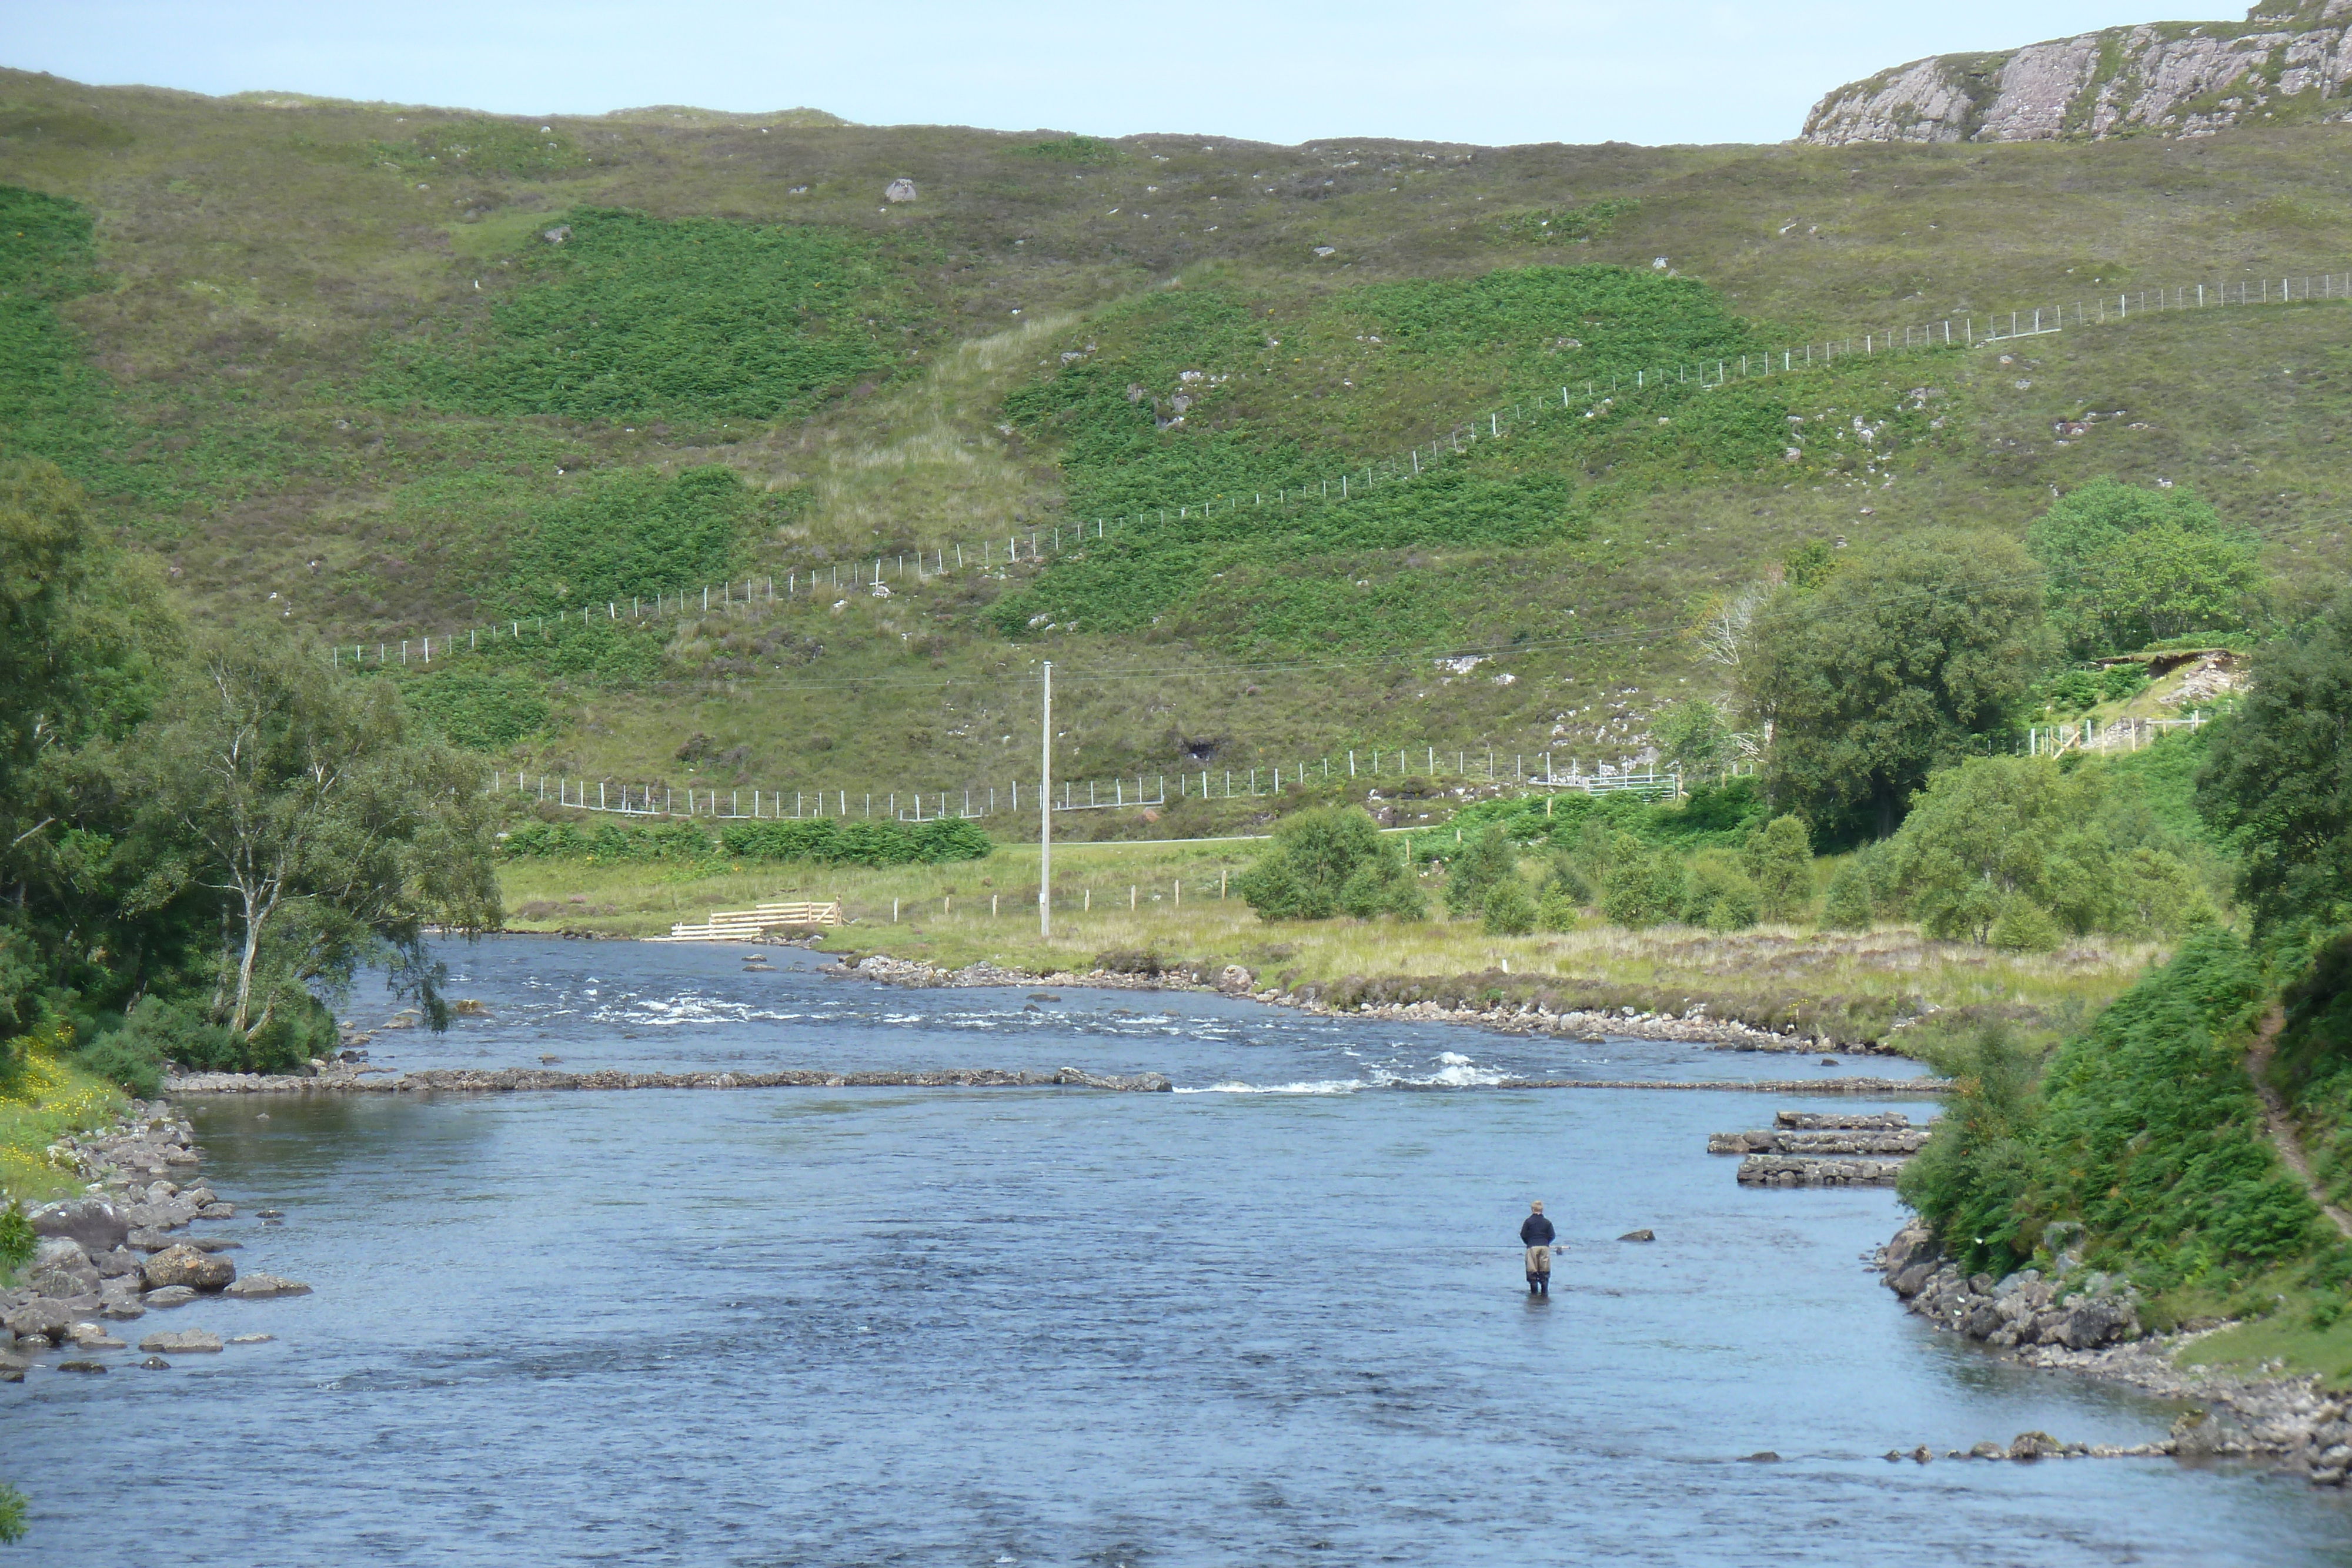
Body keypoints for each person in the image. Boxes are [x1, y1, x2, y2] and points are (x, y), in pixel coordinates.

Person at [1521, 1201, 1555, 1296]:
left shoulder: (1528, 1221)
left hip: (1532, 1247)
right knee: (1545, 1273)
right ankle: (1544, 1295)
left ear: (1532, 1210)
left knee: (1532, 1273)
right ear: (1542, 1210)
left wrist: (1529, 1243)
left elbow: (1523, 1235)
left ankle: (1534, 1295)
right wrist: (1545, 1242)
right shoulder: (1547, 1222)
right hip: (1544, 1247)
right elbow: (1552, 1236)